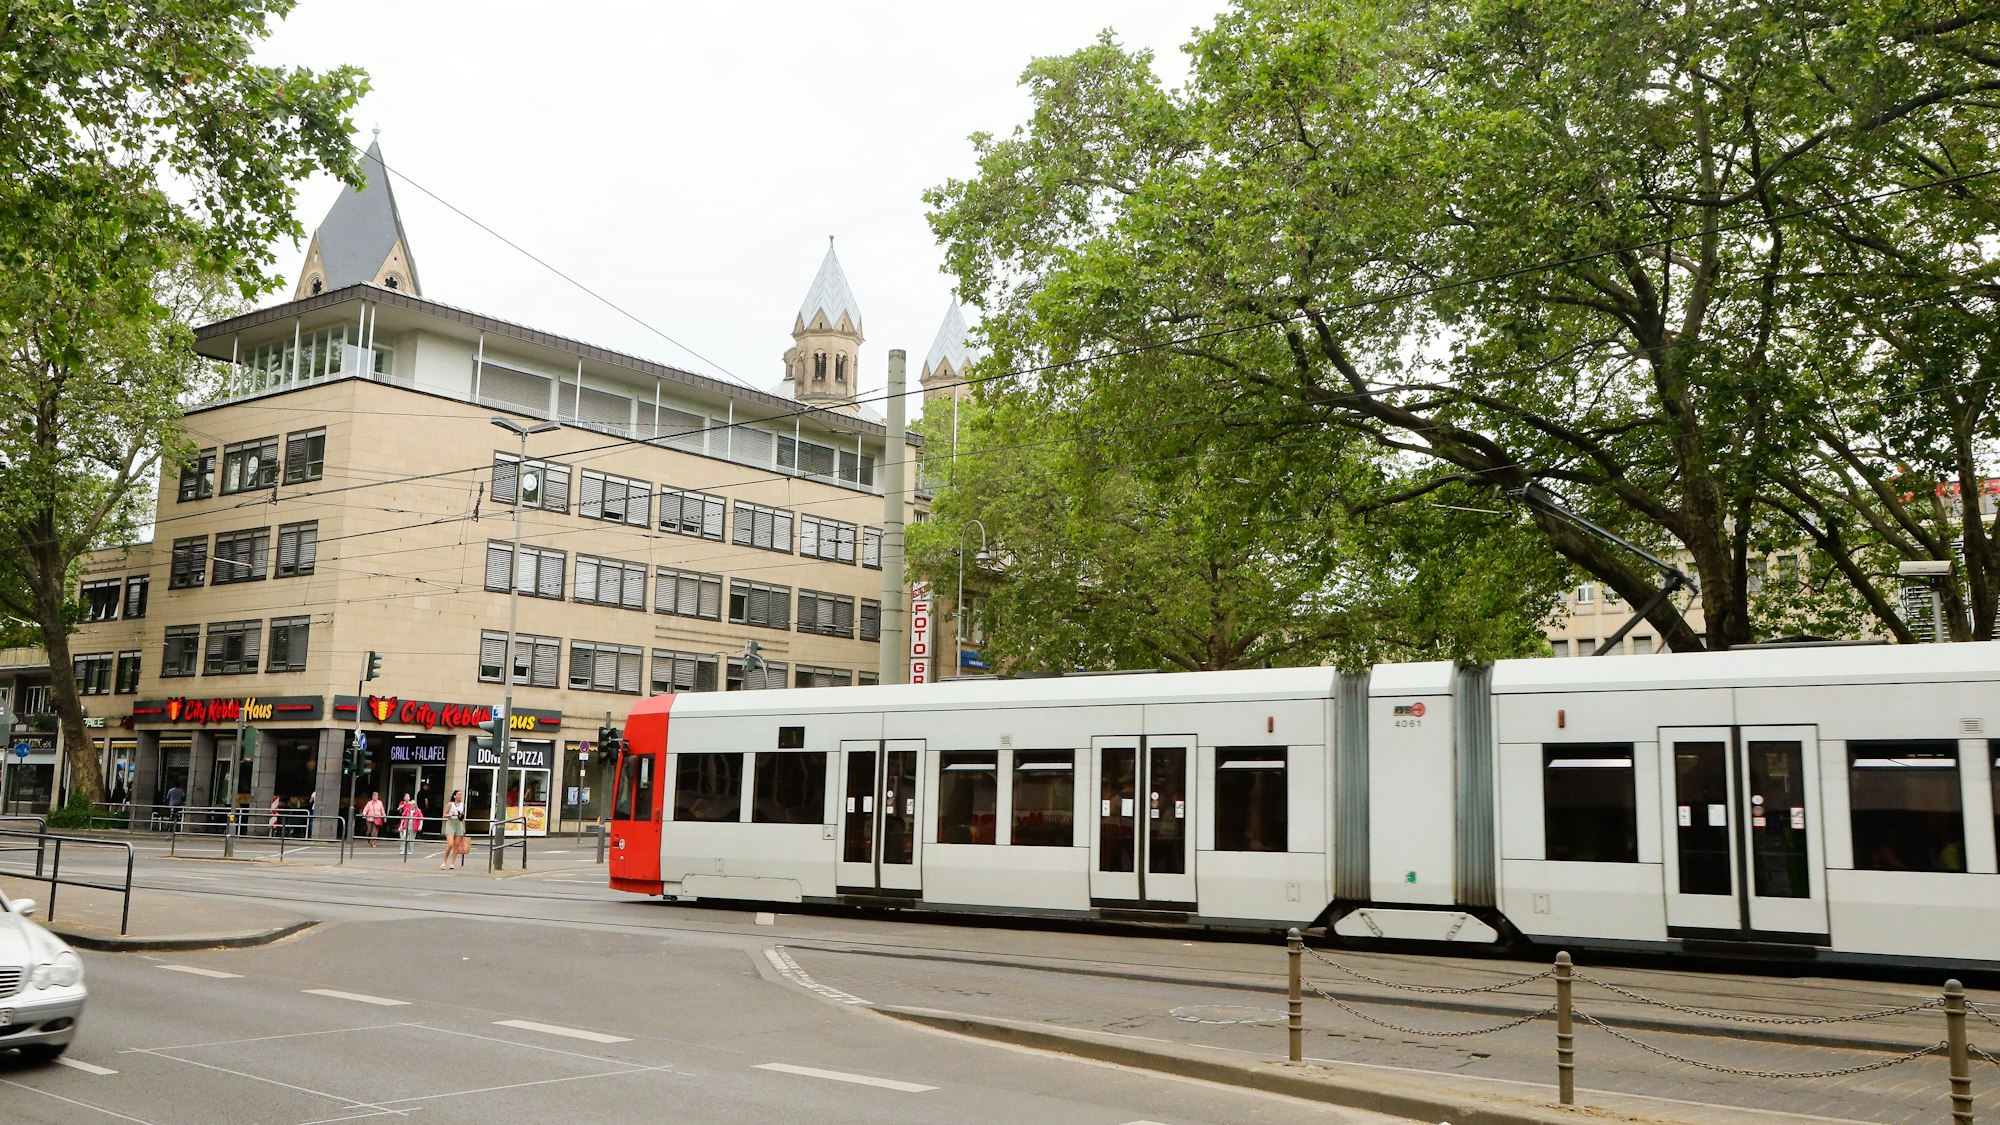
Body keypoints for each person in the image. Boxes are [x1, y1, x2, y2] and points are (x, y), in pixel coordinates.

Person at [441, 789, 467, 870]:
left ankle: (452, 863)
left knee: (456, 845)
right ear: (455, 796)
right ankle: (444, 862)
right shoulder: (450, 804)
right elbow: (444, 814)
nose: (460, 796)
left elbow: (462, 816)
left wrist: (463, 827)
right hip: (451, 823)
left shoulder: (462, 804)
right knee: (450, 843)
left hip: (458, 823)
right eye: (458, 794)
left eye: (461, 795)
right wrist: (451, 814)